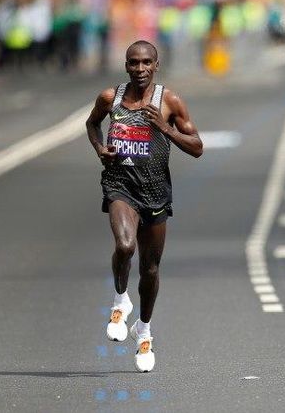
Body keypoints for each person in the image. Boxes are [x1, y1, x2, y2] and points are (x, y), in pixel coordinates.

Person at [85, 40, 203, 372]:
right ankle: (120, 301)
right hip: (120, 185)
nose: (140, 69)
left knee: (150, 269)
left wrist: (165, 128)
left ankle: (144, 330)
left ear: (156, 65)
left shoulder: (169, 100)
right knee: (124, 246)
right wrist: (99, 148)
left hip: (156, 191)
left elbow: (197, 147)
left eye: (146, 63)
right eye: (134, 63)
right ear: (126, 66)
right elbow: (92, 124)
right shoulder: (111, 98)